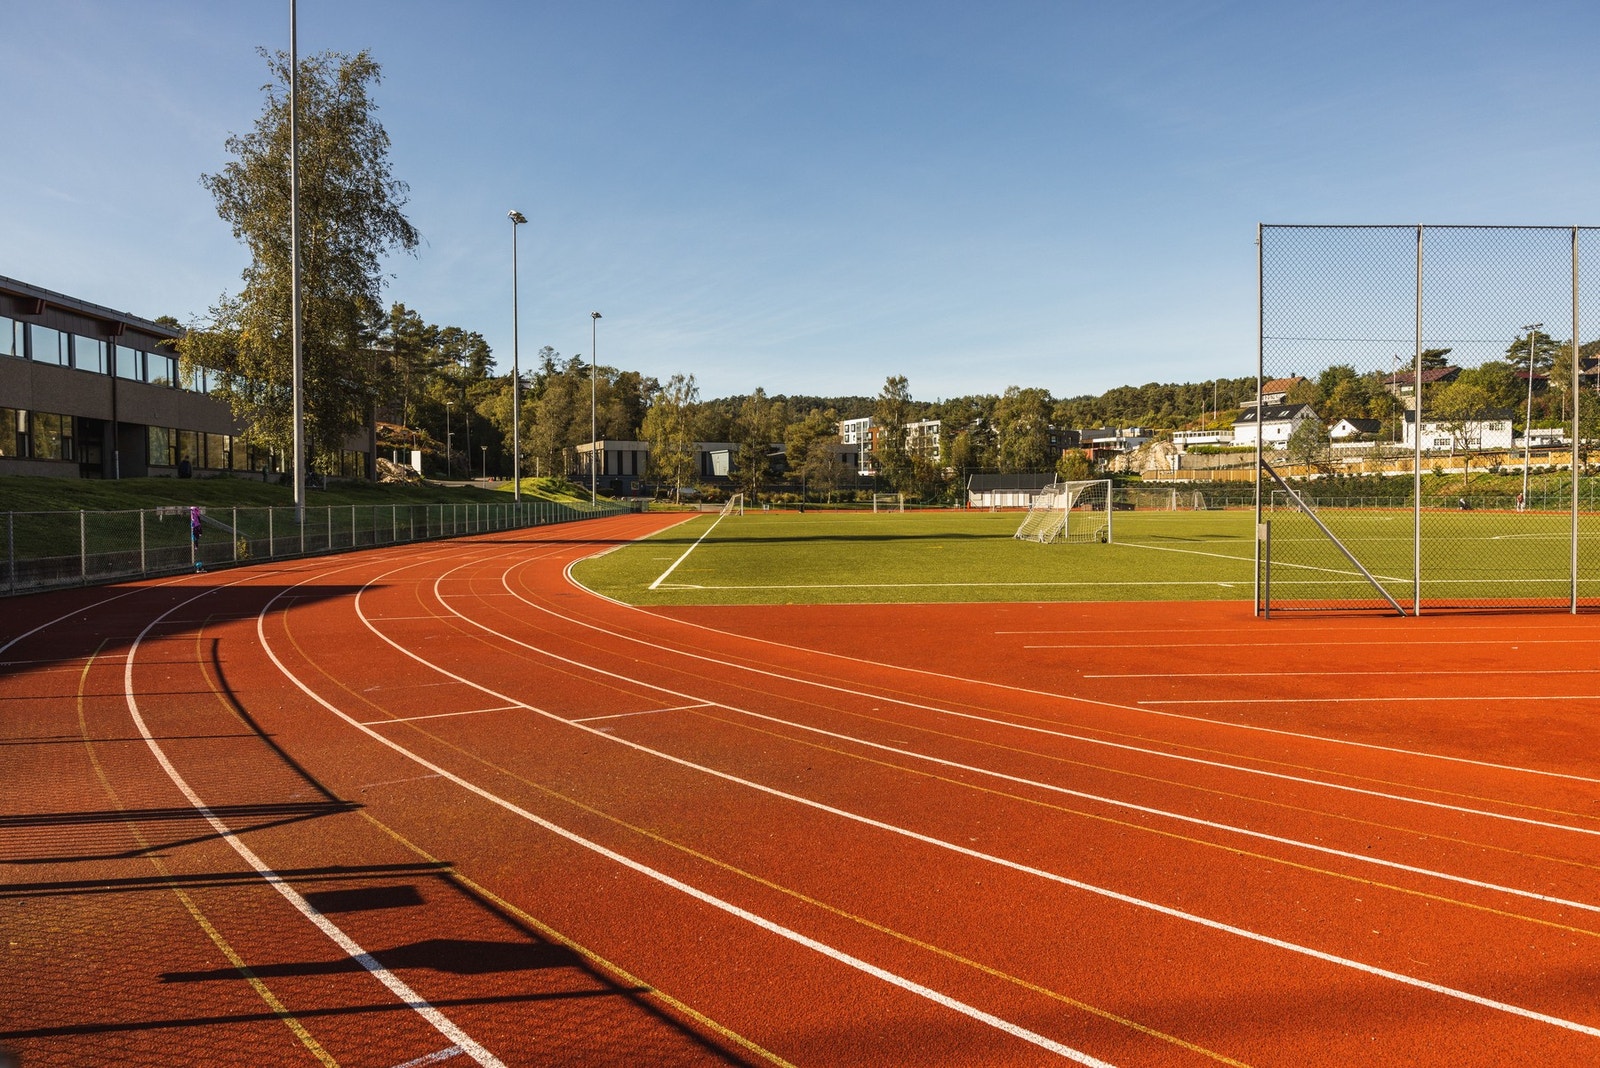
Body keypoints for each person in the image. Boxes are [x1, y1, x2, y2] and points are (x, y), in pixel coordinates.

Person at [190, 506, 204, 572]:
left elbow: (197, 518)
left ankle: (196, 546)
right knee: (195, 538)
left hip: (196, 526)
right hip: (195, 526)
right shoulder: (194, 513)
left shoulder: (195, 513)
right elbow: (195, 519)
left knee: (196, 537)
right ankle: (196, 546)